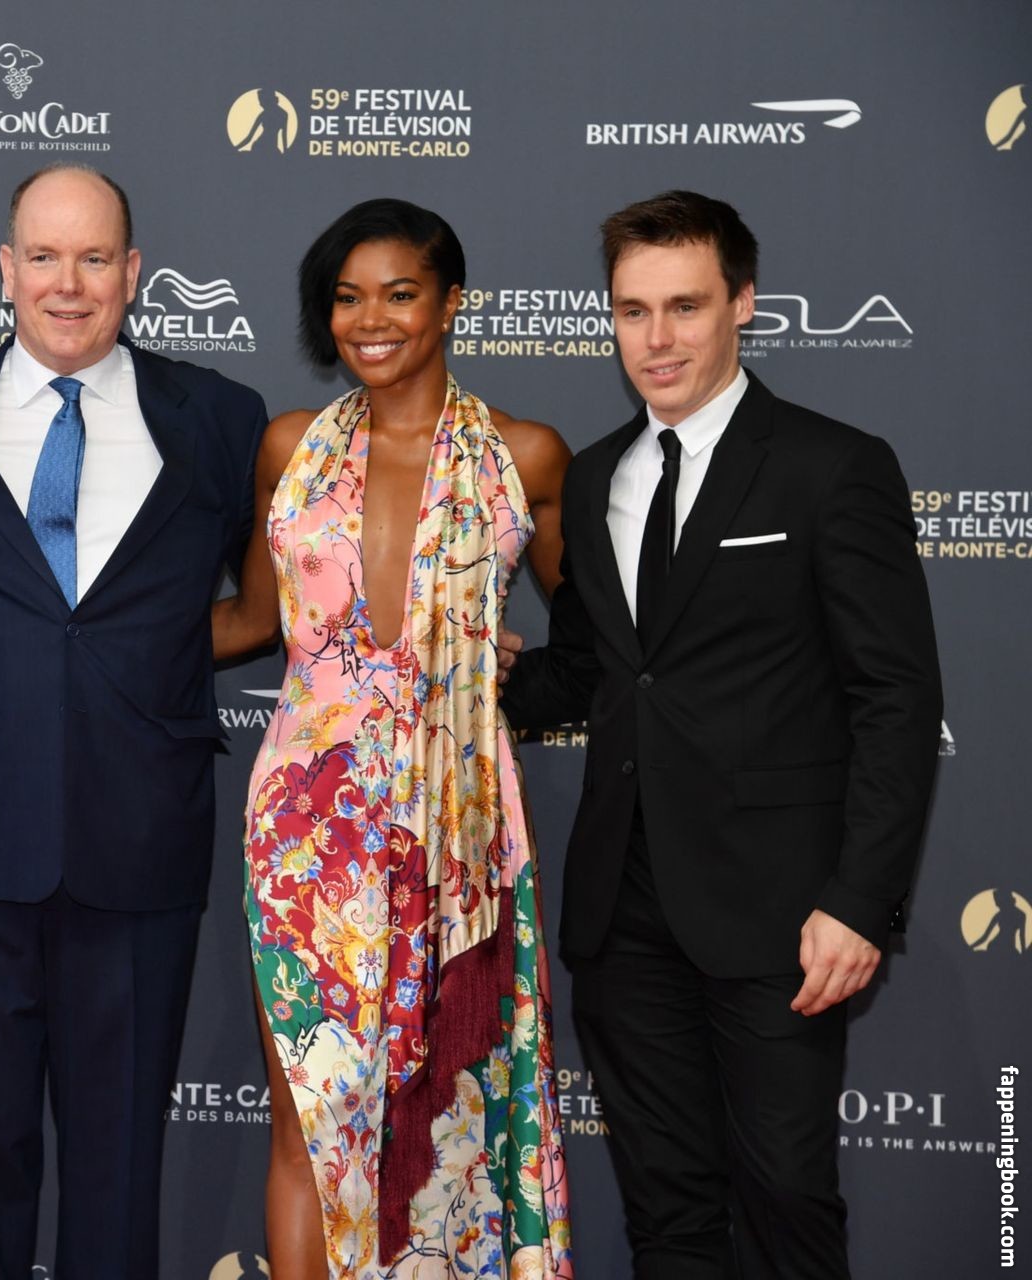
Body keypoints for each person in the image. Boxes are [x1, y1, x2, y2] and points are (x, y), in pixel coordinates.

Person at [499, 190, 942, 1278]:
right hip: (623, 911)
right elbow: (597, 672)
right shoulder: (596, 475)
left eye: (685, 307)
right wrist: (469, 669)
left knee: (787, 1201)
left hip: (780, 913)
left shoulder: (832, 466)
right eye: (632, 310)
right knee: (669, 1214)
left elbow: (895, 697)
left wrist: (860, 899)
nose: (656, 339)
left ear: (743, 303)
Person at [0, 165, 268, 1279]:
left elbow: (287, 599)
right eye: (44, 256)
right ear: (7, 269)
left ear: (132, 273)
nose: (68, 284)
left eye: (94, 258)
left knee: (119, 1171)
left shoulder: (222, 419)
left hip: (141, 841)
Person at [213, 198, 575, 1279]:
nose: (370, 320)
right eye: (346, 297)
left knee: (463, 1114)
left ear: (452, 302)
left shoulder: (525, 456)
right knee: (310, 1122)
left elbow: (606, 643)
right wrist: (82, 634)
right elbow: (250, 620)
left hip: (461, 836)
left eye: (400, 294)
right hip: (307, 834)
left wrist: (502, 672)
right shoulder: (288, 447)